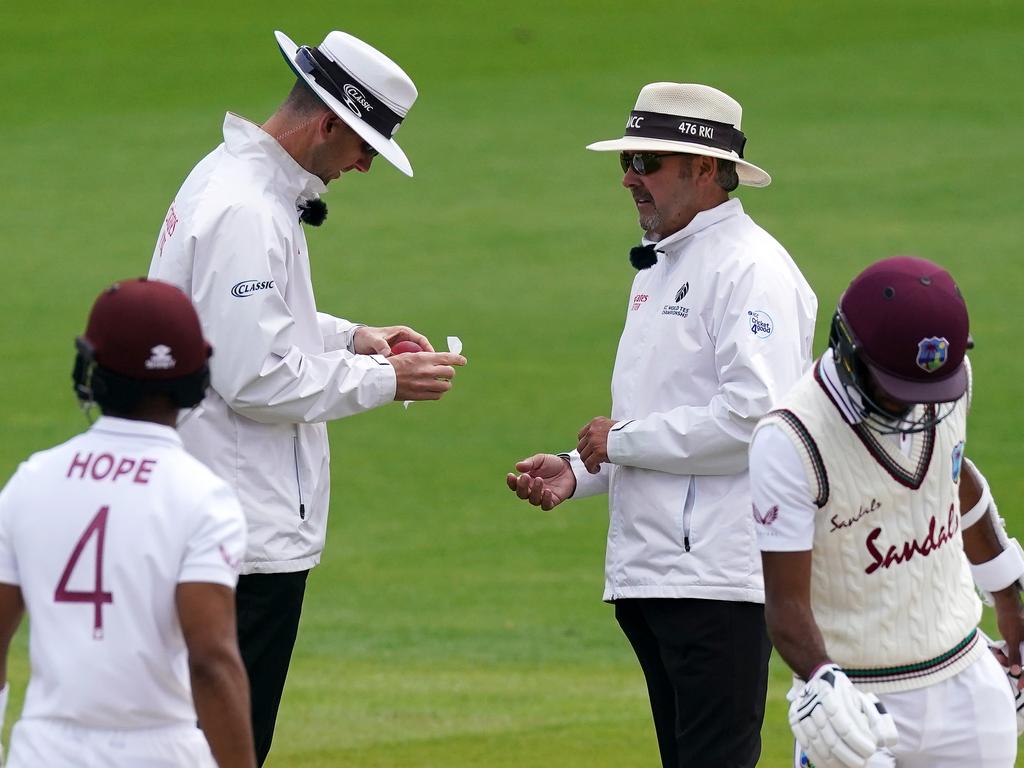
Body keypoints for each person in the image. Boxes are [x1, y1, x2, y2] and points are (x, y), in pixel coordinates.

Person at [148, 29, 467, 764]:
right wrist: (389, 381)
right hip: (243, 527)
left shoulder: (232, 180)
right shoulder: (250, 211)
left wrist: (351, 336)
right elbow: (255, 378)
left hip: (220, 511)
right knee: (228, 745)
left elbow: (235, 321)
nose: (362, 166)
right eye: (364, 148)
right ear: (328, 124)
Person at [506, 82, 817, 766]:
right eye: (628, 161)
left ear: (704, 169)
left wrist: (619, 442)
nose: (628, 178)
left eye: (645, 162)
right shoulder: (665, 262)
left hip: (715, 578)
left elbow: (757, 420)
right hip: (657, 573)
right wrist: (582, 469)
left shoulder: (751, 269)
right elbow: (666, 415)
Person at [751, 256, 1024, 767]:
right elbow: (785, 605)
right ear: (848, 352)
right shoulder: (788, 440)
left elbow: (954, 474)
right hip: (858, 706)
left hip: (968, 683)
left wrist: (1011, 592)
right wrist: (822, 682)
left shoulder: (947, 381)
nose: (916, 408)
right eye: (898, 391)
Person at [0, 278, 254, 767]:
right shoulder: (202, 497)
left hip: (44, 752)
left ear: (91, 372)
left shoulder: (32, 481)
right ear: (197, 376)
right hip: (162, 751)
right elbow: (211, 661)